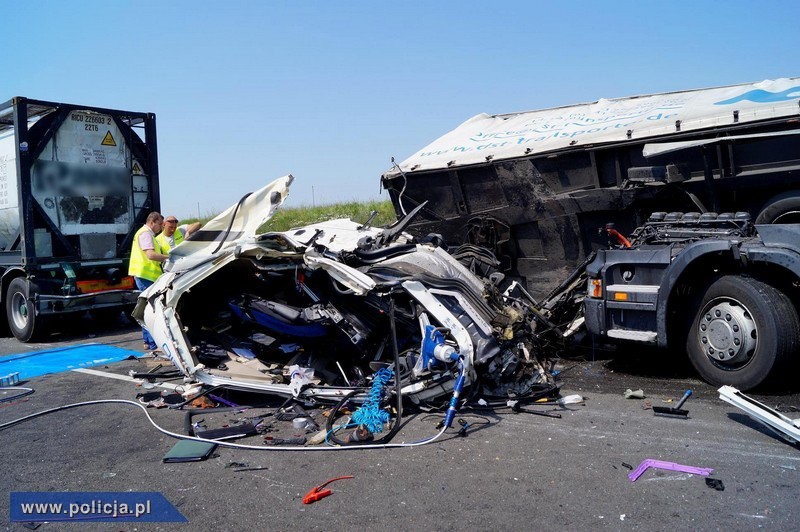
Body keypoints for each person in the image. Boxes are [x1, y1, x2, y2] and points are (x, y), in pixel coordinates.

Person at [129, 212, 169, 351]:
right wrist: (168, 258)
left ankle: (148, 341)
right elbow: (150, 255)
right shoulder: (145, 234)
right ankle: (153, 344)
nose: (161, 227)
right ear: (152, 222)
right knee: (153, 310)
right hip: (146, 276)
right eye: (160, 224)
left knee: (147, 309)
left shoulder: (147, 234)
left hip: (144, 275)